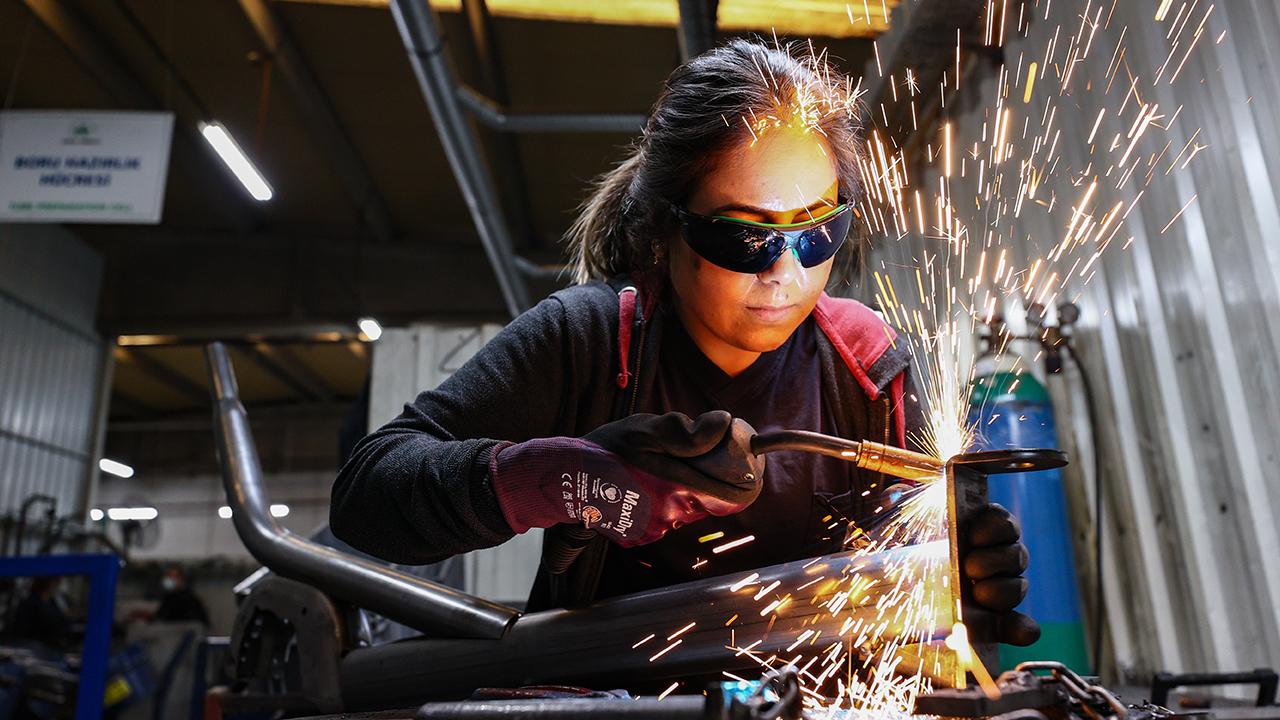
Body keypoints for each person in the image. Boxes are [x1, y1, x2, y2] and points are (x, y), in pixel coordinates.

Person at [331, 39, 1038, 646]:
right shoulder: (590, 339)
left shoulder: (866, 361)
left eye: (817, 232)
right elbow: (366, 496)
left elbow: (905, 559)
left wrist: (958, 567)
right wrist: (553, 479)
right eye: (744, 235)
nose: (785, 273)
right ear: (663, 230)